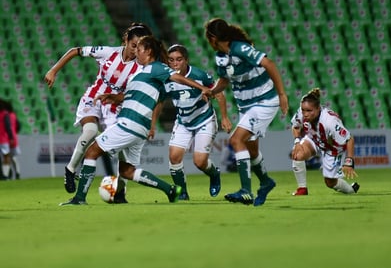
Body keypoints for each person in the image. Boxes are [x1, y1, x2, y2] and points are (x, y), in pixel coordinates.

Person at [59, 35, 213, 205]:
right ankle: (170, 190)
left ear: (148, 51)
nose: (136, 53)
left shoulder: (156, 68)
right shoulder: (141, 73)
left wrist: (202, 88)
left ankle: (79, 198)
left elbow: (176, 77)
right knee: (127, 171)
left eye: (138, 50)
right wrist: (115, 97)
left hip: (130, 123)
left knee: (91, 152)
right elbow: (133, 95)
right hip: (139, 127)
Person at [44, 22, 153, 194]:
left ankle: (121, 190)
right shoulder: (108, 53)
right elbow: (75, 50)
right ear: (125, 40)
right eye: (133, 46)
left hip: (114, 107)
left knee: (121, 147)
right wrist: (53, 70)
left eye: (139, 47)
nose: (135, 50)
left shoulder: (141, 67)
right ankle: (70, 170)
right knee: (90, 131)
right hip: (93, 98)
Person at [204, 18, 289, 206]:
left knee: (236, 140)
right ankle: (266, 182)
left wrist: (282, 94)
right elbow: (224, 81)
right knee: (251, 150)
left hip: (264, 101)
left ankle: (245, 191)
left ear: (213, 38)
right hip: (247, 106)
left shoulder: (240, 49)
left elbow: (269, 63)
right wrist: (212, 91)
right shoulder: (220, 56)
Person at [151, 44, 232, 200]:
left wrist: (225, 117)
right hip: (183, 122)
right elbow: (160, 101)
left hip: (204, 120)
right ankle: (183, 193)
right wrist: (153, 124)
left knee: (200, 162)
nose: (175, 64)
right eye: (171, 60)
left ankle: (214, 174)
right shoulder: (166, 78)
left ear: (186, 60)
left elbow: (219, 94)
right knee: (174, 157)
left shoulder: (199, 75)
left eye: (179, 60)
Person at [291, 88, 360, 194]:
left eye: (309, 111)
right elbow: (295, 127)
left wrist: (349, 161)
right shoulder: (301, 112)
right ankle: (302, 189)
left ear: (318, 108)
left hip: (332, 148)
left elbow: (349, 139)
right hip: (314, 138)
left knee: (330, 182)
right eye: (303, 110)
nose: (305, 114)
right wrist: (297, 142)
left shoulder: (330, 121)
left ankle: (351, 190)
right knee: (297, 154)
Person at [0, 99, 21, 180]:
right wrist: (12, 136)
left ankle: (7, 175)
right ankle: (13, 174)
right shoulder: (10, 115)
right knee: (11, 157)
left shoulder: (6, 115)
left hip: (7, 138)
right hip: (8, 139)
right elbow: (16, 126)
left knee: (9, 157)